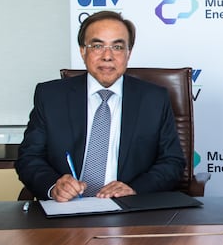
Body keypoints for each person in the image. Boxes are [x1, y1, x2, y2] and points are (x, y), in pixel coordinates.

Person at [16, 11, 185, 201]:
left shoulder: (153, 99)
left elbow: (172, 162)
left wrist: (134, 189)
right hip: (67, 209)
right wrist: (54, 186)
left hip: (128, 210)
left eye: (118, 47)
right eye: (97, 46)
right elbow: (29, 158)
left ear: (128, 53)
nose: (107, 56)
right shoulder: (51, 96)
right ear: (82, 51)